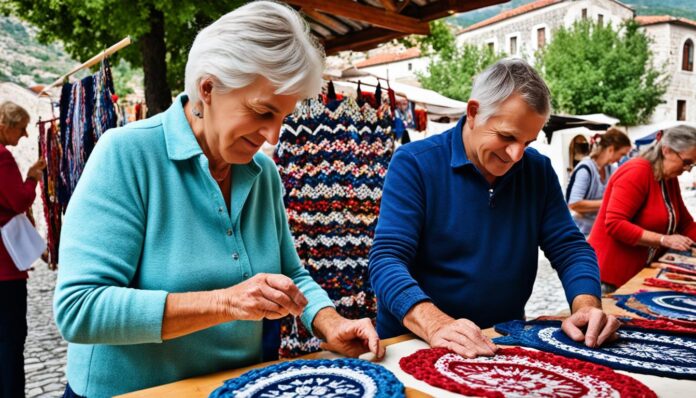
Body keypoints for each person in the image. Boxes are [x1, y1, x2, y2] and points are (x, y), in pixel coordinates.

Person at [54, 3, 383, 397]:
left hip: (230, 388)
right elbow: (80, 309)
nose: (274, 136)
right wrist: (226, 303)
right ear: (207, 88)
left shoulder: (262, 175)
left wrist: (329, 322)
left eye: (283, 116)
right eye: (262, 111)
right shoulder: (127, 154)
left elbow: (291, 276)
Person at [369, 58, 620, 359]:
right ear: (474, 113)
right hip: (413, 341)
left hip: (500, 342)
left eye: (527, 142)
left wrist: (586, 306)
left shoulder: (537, 170)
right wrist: (434, 323)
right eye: (507, 136)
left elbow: (570, 248)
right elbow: (386, 259)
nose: (516, 155)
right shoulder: (415, 163)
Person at [589, 125, 696, 292]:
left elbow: (685, 223)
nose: (688, 169)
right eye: (687, 162)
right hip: (609, 277)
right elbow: (615, 224)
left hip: (635, 274)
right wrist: (663, 239)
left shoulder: (669, 179)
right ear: (667, 150)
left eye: (693, 165)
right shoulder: (637, 171)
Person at [0, 101, 46, 398]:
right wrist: (32, 178)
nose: (26, 135)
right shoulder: (2, 157)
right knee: (11, 339)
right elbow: (17, 201)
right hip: (5, 268)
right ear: (5, 126)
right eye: (21, 128)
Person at [566, 128, 632, 236]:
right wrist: (609, 202)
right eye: (621, 154)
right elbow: (574, 204)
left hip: (597, 231)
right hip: (580, 234)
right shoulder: (586, 169)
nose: (621, 159)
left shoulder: (610, 169)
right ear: (611, 150)